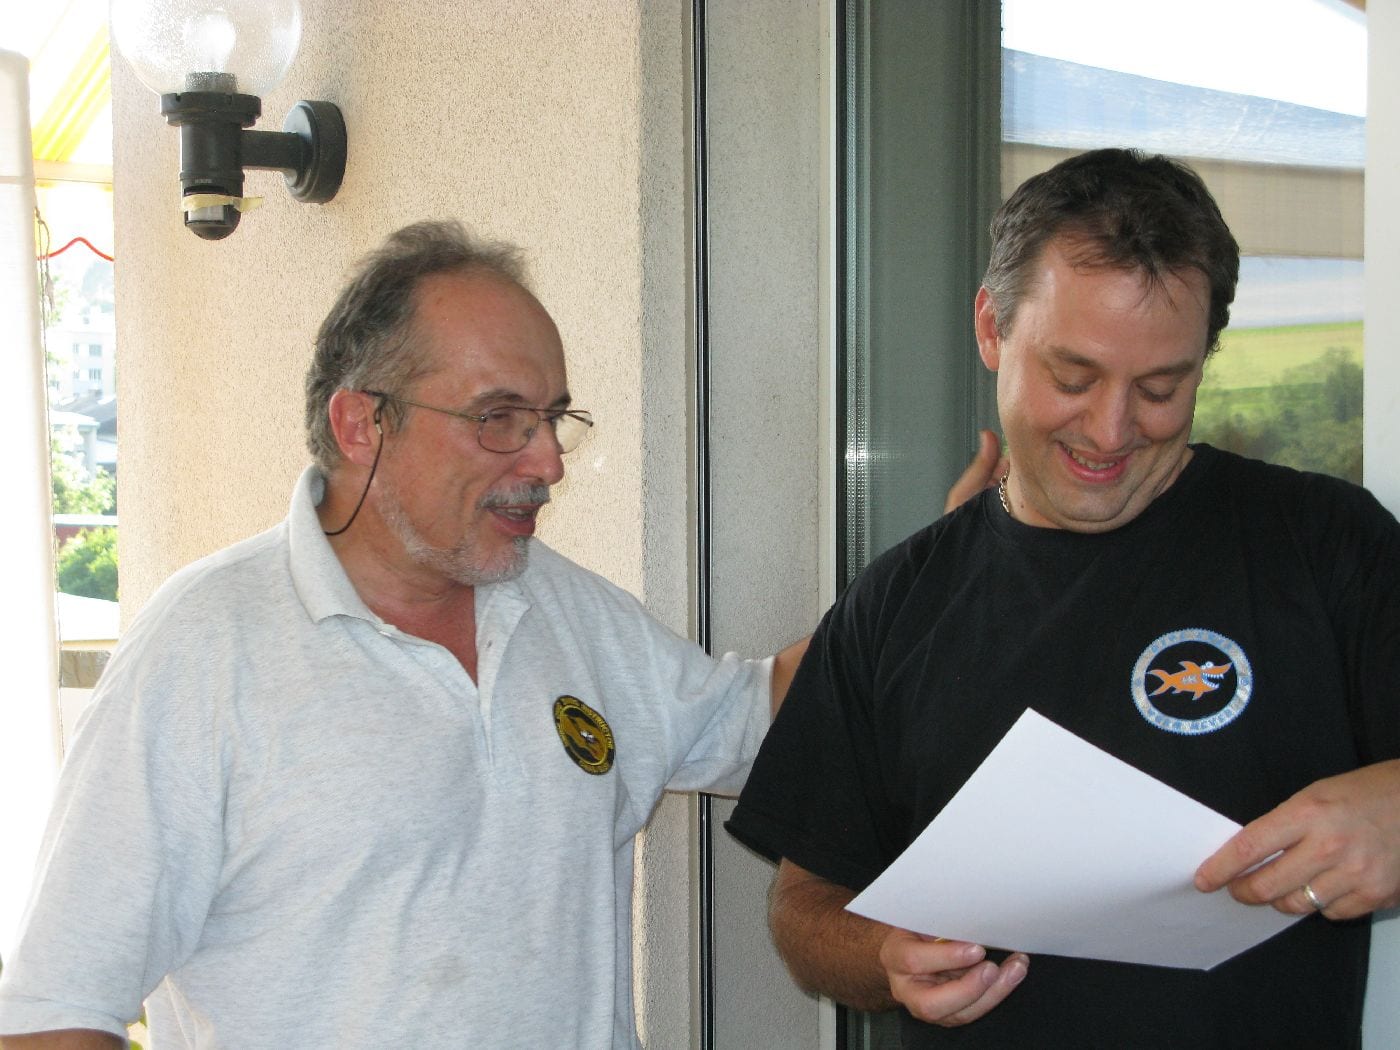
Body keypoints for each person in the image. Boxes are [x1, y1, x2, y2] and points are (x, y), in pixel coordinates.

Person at [0, 220, 809, 1049]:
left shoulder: (566, 610)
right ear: (361, 425)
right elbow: (54, 1013)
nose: (548, 464)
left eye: (552, 418)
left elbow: (767, 720)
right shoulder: (205, 647)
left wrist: (907, 582)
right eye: (499, 418)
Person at [726, 148, 1400, 1047]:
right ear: (991, 328)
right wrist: (883, 954)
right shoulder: (895, 602)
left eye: (1161, 388)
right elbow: (804, 906)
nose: (1111, 430)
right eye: (1073, 377)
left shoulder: (1327, 546)